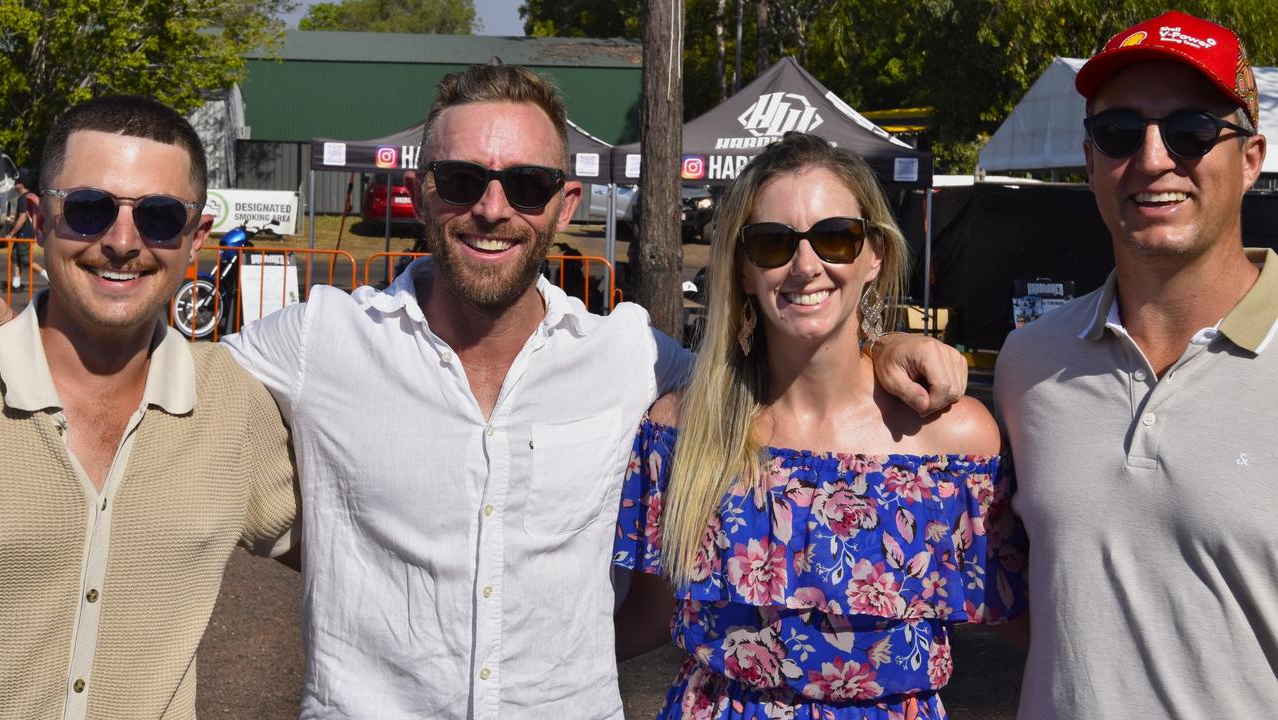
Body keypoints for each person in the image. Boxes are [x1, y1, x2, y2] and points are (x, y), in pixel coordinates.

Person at [219, 63, 967, 719]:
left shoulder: (631, 357)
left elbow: (779, 370)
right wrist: (298, 533)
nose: (492, 206)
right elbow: (162, 393)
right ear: (420, 194)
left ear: (565, 203)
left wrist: (880, 347)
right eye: (460, 180)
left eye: (528, 184)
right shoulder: (322, 339)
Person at [883, 10, 1275, 718]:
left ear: (1250, 159)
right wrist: (875, 349)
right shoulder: (1030, 364)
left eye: (1190, 130)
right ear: (1091, 162)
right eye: (1120, 133)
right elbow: (1033, 599)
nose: (1154, 159)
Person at [612, 133, 1027, 719]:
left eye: (836, 237)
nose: (806, 266)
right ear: (742, 268)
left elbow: (1028, 625)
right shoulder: (681, 431)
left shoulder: (956, 441)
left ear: (874, 254)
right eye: (772, 243)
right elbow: (649, 616)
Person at [0, 96, 297, 719]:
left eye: (160, 217)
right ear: (36, 217)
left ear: (195, 237)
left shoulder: (232, 402)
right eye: (88, 209)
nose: (123, 241)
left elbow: (366, 550)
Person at [3, 173, 47, 290]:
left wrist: (11, 233)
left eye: (16, 183)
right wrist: (13, 222)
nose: (14, 185)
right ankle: (16, 284)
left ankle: (49, 278)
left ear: (21, 184)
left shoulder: (25, 198)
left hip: (25, 234)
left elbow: (23, 218)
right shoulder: (23, 198)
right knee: (15, 258)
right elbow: (21, 218)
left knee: (26, 260)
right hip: (21, 233)